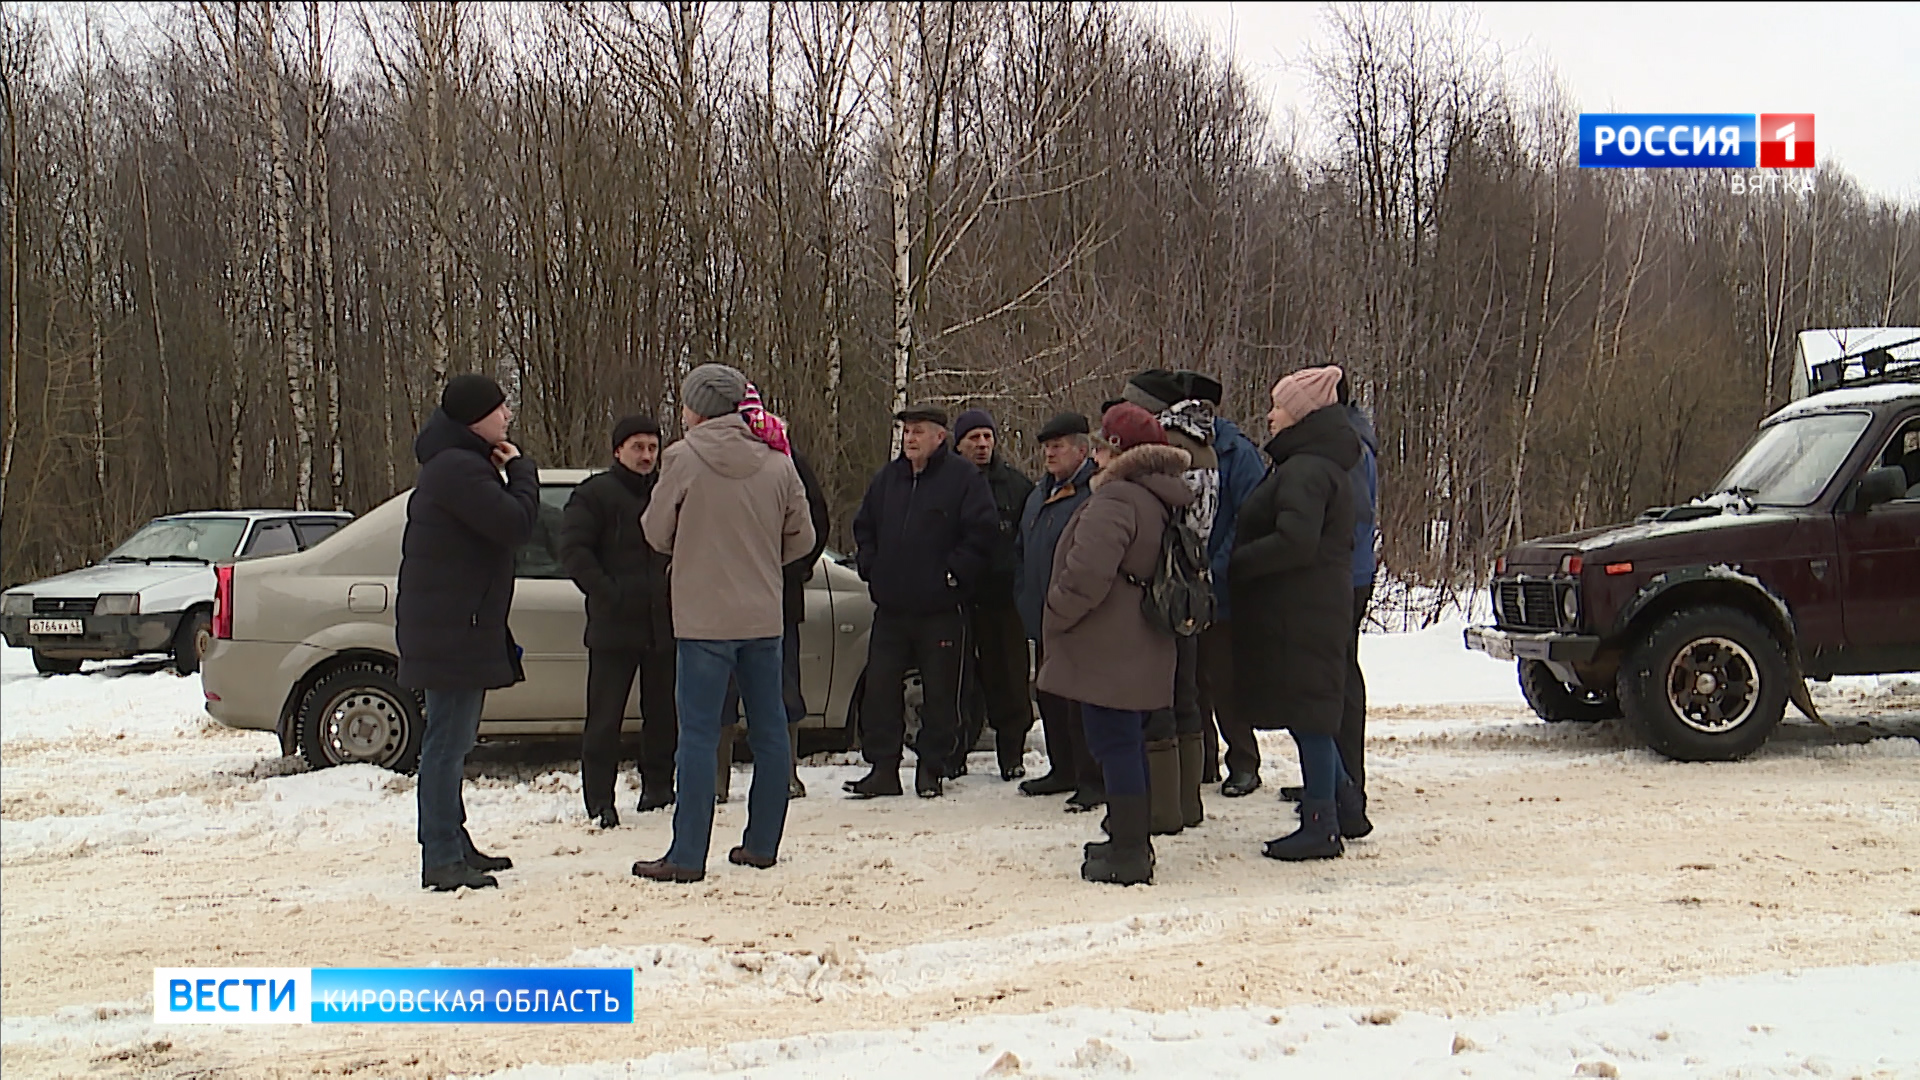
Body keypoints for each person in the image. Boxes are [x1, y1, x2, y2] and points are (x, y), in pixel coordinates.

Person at [632, 365, 815, 883]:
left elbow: (655, 530)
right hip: (763, 614)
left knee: (697, 735)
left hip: (701, 617)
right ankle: (762, 842)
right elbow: (801, 539)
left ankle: (687, 854)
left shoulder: (683, 458)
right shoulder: (779, 461)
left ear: (698, 408)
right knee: (771, 730)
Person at [1036, 403, 1193, 886]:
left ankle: (1129, 850)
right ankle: (1128, 835)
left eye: (1103, 445)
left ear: (1115, 451)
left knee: (1115, 742)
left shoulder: (1118, 499)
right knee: (1127, 740)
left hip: (1110, 642)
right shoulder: (1158, 496)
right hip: (1141, 638)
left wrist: (1056, 611)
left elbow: (1087, 573)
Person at [397, 374, 538, 892]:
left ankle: (454, 843)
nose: (506, 418)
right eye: (500, 410)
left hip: (453, 626)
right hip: (452, 629)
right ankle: (440, 856)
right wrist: (521, 470)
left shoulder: (458, 465)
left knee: (451, 742)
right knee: (445, 745)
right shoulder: (458, 469)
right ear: (475, 418)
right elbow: (517, 523)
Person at [1229, 366, 1360, 861]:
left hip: (1302, 607)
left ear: (1302, 415)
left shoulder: (1306, 469)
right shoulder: (1317, 463)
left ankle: (1322, 824)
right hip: (1310, 604)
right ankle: (1344, 803)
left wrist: (1238, 562)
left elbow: (1296, 541)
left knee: (1309, 716)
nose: (1270, 415)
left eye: (1278, 406)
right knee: (1311, 710)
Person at [843, 405, 998, 800]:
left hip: (941, 609)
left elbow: (981, 533)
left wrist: (952, 576)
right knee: (879, 688)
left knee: (941, 691)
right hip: (892, 608)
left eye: (917, 432)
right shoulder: (888, 479)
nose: (909, 439)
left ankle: (932, 767)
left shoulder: (962, 479)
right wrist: (871, 567)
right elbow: (864, 526)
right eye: (906, 432)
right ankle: (882, 768)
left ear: (939, 437)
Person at [559, 415, 677, 828]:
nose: (646, 456)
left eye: (652, 447)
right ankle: (600, 801)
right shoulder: (594, 495)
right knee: (605, 719)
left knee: (663, 714)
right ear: (617, 450)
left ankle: (659, 789)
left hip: (664, 624)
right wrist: (610, 593)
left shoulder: (668, 492)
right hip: (614, 625)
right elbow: (574, 552)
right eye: (637, 447)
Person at [1121, 371, 1219, 834]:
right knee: (1187, 693)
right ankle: (1187, 801)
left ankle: (1163, 809)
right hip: (1195, 581)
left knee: (1160, 695)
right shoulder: (1205, 443)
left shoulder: (1165, 449)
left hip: (1164, 584)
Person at [1174, 370, 1269, 797]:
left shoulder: (1237, 452)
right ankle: (1203, 760)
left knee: (1224, 678)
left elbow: (1250, 516)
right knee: (1190, 680)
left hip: (1224, 585)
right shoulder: (1177, 448)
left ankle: (1244, 759)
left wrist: (1217, 567)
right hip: (1185, 582)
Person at [1013, 412, 1103, 809]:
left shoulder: (1092, 493)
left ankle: (1092, 778)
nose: (1049, 453)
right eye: (1046, 446)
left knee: (1079, 703)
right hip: (1042, 614)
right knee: (1049, 696)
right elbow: (1021, 549)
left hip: (1079, 618)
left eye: (1058, 445)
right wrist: (1023, 594)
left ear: (1082, 450)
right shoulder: (1038, 494)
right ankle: (1061, 768)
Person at [950, 408, 1037, 781]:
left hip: (1005, 601)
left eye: (988, 437)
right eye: (974, 438)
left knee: (1010, 682)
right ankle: (955, 754)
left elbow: (1030, 542)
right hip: (960, 600)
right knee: (960, 683)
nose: (983, 445)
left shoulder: (1016, 487)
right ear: (958, 444)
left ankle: (1012, 755)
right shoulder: (945, 484)